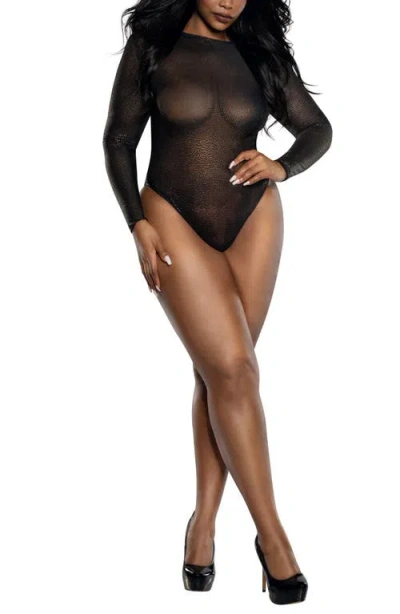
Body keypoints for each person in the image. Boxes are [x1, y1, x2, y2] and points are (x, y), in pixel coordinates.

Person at [103, 0, 332, 602]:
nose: (230, 1)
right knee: (231, 369)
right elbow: (119, 139)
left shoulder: (260, 50)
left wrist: (282, 166)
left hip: (254, 218)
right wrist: (136, 223)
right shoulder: (153, 44)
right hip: (171, 216)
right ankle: (273, 539)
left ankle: (202, 523)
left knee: (224, 374)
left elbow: (318, 129)